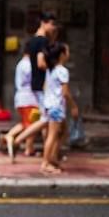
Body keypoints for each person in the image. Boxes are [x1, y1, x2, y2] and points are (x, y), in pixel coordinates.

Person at [6, 12, 58, 161]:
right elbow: (42, 63)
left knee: (45, 121)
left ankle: (49, 156)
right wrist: (55, 67)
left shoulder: (33, 42)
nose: (53, 28)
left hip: (35, 88)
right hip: (42, 87)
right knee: (46, 120)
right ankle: (18, 140)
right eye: (52, 24)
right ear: (44, 23)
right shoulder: (42, 43)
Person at [41, 42, 79, 174]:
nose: (69, 54)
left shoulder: (51, 69)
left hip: (49, 105)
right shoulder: (62, 71)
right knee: (52, 135)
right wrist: (73, 106)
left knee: (63, 132)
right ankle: (45, 163)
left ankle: (52, 158)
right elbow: (65, 92)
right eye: (67, 51)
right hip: (56, 107)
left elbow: (45, 87)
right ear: (62, 55)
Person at [0, 42, 40, 159]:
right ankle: (12, 137)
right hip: (28, 97)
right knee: (31, 124)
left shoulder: (21, 64)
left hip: (22, 97)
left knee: (28, 123)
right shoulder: (28, 65)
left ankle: (27, 146)